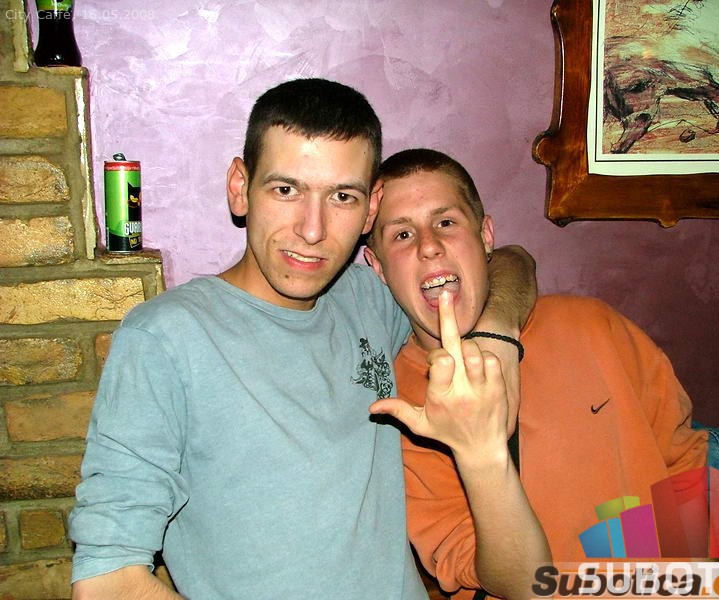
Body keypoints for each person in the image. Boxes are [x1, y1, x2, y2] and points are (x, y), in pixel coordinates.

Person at [67, 80, 536, 599]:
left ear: (371, 208)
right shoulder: (165, 339)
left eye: (342, 197)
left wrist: (497, 338)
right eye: (286, 190)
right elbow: (107, 581)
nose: (312, 230)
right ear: (240, 187)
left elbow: (510, 260)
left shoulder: (368, 299)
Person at [363, 148, 710, 600]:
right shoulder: (397, 410)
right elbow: (511, 582)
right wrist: (480, 449)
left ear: (486, 236)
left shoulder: (592, 326)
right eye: (403, 234)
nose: (429, 245)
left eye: (446, 222)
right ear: (378, 267)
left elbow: (683, 459)